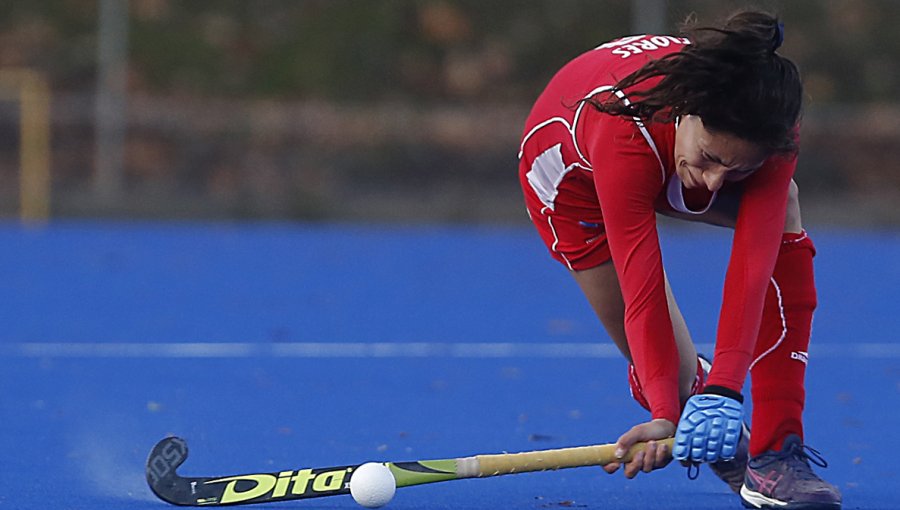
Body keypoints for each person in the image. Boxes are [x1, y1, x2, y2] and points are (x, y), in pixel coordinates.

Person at [517, 10, 841, 510]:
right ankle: (691, 392)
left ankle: (777, 453)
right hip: (572, 183)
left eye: (735, 168)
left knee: (786, 206)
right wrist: (668, 412)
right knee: (667, 374)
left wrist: (728, 390)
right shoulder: (623, 128)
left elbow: (752, 266)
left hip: (667, 150)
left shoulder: (770, 126)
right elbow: (641, 279)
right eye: (710, 158)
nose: (713, 184)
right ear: (688, 112)